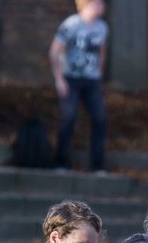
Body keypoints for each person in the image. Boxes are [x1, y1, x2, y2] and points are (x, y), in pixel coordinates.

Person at [51, 0, 109, 173]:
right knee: (68, 118)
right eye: (99, 2)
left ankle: (97, 165)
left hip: (91, 81)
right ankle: (61, 162)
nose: (103, 5)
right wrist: (59, 79)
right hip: (71, 79)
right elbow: (55, 51)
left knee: (100, 119)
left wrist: (99, 75)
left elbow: (102, 52)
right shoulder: (71, 24)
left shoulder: (102, 27)